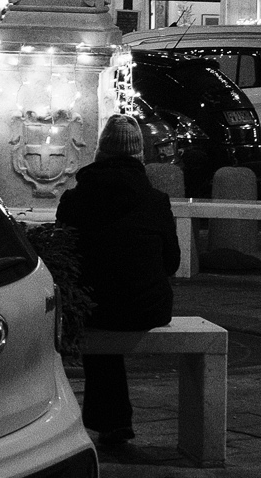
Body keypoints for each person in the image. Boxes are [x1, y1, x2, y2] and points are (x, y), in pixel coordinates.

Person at [56, 113, 180, 449]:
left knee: (95, 304)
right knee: (109, 299)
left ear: (101, 152)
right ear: (139, 155)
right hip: (147, 307)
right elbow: (172, 262)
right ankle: (113, 422)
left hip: (96, 308)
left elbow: (66, 260)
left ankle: (109, 420)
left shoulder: (74, 200)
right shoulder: (156, 201)